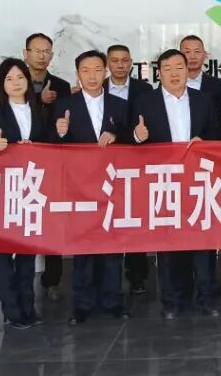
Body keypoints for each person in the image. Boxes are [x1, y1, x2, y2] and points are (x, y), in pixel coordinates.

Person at [132, 49, 221, 319]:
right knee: (169, 244)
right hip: (163, 181)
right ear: (159, 73)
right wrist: (137, 135)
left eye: (179, 67)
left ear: (187, 70)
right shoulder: (145, 102)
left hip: (198, 181)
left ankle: (206, 298)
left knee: (203, 243)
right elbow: (128, 138)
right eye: (168, 68)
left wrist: (205, 142)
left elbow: (215, 132)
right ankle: (172, 301)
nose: (174, 73)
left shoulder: (203, 100)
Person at [53, 50, 130, 324]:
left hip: (112, 185)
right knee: (84, 247)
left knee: (112, 245)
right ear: (77, 74)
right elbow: (52, 146)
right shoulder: (65, 105)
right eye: (86, 70)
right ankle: (82, 304)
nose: (92, 76)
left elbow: (132, 139)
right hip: (80, 186)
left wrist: (116, 135)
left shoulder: (119, 104)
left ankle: (113, 300)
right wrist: (61, 132)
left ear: (105, 72)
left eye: (98, 69)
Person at [0, 58, 47, 329]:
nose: (16, 83)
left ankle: (28, 307)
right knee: (4, 254)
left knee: (27, 253)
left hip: (32, 188)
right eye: (9, 79)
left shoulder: (39, 109)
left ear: (28, 81)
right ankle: (11, 310)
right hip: (4, 189)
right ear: (1, 84)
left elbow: (50, 141)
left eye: (20, 78)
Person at [22, 32, 71, 300]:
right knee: (26, 220)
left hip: (54, 162)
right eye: (36, 50)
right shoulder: (15, 81)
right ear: (26, 53)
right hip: (22, 165)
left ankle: (53, 280)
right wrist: (38, 101)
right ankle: (23, 278)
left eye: (46, 51)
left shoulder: (61, 86)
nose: (41, 56)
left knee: (53, 221)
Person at [106, 44, 154, 295]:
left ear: (131, 62)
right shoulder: (96, 88)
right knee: (109, 219)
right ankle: (109, 277)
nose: (120, 65)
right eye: (115, 60)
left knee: (135, 217)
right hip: (105, 166)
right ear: (107, 63)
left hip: (137, 162)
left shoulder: (144, 90)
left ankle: (137, 275)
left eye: (125, 60)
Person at [180, 35, 221, 122]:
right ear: (179, 56)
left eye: (197, 51)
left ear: (205, 55)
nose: (192, 56)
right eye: (187, 52)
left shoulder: (217, 84)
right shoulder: (171, 83)